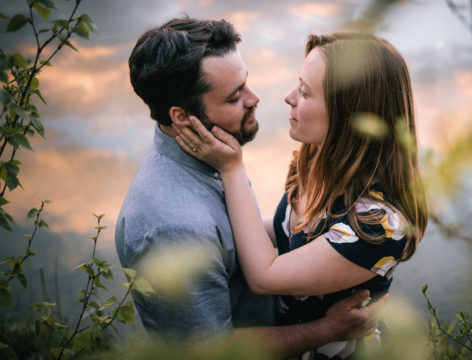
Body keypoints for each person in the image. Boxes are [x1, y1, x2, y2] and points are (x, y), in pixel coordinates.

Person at [115, 17, 386, 357]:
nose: (255, 98)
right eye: (234, 97)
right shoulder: (173, 227)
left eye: (246, 83)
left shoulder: (215, 159)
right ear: (183, 117)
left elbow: (256, 236)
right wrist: (326, 329)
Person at [172, 32, 428, 359]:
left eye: (305, 92)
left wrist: (232, 168)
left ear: (348, 114)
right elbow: (282, 230)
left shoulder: (378, 226)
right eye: (297, 83)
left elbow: (265, 276)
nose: (288, 97)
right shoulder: (313, 164)